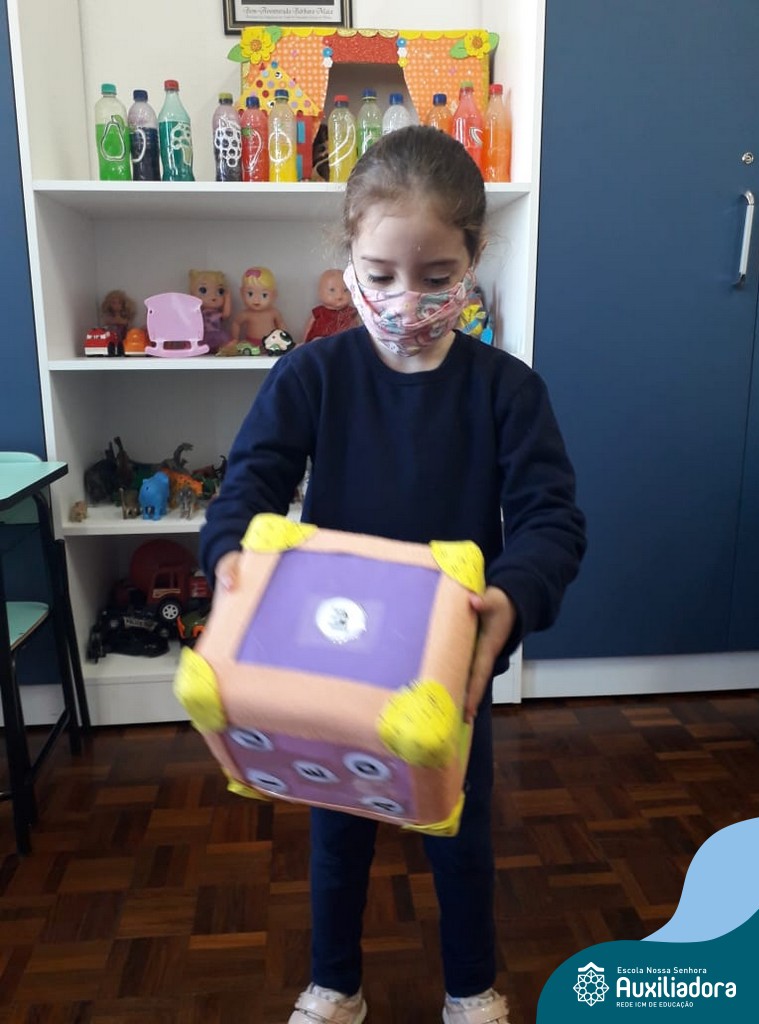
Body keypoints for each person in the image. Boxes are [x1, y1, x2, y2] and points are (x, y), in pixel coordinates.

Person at [199, 125, 587, 1024]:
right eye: (380, 275)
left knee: (459, 836)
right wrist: (231, 560)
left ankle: (471, 988)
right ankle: (335, 983)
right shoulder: (313, 374)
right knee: (337, 836)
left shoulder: (506, 390)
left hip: (449, 663)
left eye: (436, 276)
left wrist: (512, 596)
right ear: (348, 257)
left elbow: (550, 521)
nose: (406, 300)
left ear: (474, 259)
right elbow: (247, 486)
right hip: (327, 657)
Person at [230, 265, 289, 352]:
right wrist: (235, 339)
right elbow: (236, 323)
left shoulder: (273, 312)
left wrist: (285, 340)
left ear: (274, 295)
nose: (256, 300)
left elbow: (281, 324)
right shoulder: (246, 314)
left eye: (264, 295)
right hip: (251, 342)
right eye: (250, 294)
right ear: (242, 294)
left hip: (271, 342)